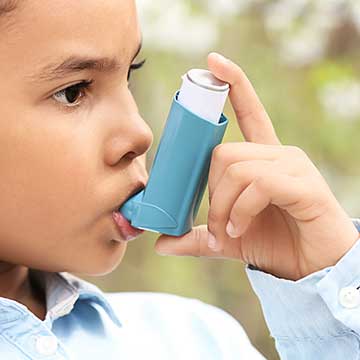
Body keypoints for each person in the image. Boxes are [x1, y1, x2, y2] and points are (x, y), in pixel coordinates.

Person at [0, 1, 359, 359]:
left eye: (130, 74)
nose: (140, 133)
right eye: (74, 92)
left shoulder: (197, 341)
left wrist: (326, 303)